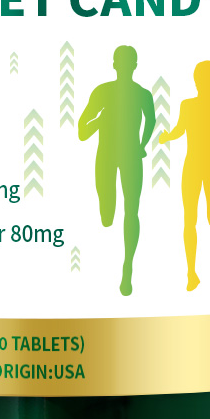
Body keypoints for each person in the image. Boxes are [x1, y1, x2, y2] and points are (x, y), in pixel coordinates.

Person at [78, 45, 155, 296]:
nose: (123, 66)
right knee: (108, 214)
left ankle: (127, 268)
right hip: (107, 158)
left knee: (131, 211)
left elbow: (151, 121)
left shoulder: (143, 95)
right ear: (116, 65)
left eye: (126, 62)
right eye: (122, 62)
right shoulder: (103, 92)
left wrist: (141, 145)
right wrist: (100, 120)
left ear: (133, 66)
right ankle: (106, 209)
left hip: (131, 157)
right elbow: (82, 130)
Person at [160, 60, 210, 291]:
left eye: (205, 78)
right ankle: (191, 273)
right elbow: (180, 129)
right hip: (192, 166)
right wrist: (167, 137)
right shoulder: (187, 105)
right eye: (198, 77)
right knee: (189, 220)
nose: (201, 82)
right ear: (194, 80)